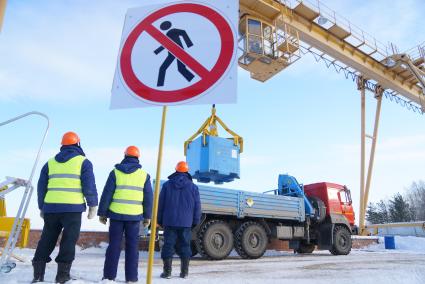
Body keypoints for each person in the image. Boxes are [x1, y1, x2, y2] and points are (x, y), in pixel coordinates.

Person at [32, 131, 98, 283]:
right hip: (72, 209)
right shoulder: (83, 162)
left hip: (51, 208)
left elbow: (41, 187)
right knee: (68, 241)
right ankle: (62, 276)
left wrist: (42, 206)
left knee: (47, 239)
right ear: (78, 144)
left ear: (62, 145)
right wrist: (92, 205)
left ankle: (38, 275)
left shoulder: (50, 163)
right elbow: (89, 186)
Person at [98, 146, 153, 283]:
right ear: (137, 158)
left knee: (114, 246)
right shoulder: (144, 176)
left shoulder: (115, 172)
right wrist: (147, 216)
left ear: (125, 156)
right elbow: (148, 198)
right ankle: (132, 278)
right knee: (132, 248)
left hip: (116, 216)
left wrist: (102, 213)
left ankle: (109, 277)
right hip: (134, 218)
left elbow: (107, 194)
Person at [158, 161, 201, 279]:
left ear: (176, 170)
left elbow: (161, 205)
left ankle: (167, 273)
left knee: (168, 245)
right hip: (186, 223)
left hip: (169, 221)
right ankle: (184, 273)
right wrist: (195, 222)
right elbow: (197, 207)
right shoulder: (193, 187)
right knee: (185, 246)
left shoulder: (167, 185)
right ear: (187, 171)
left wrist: (160, 220)